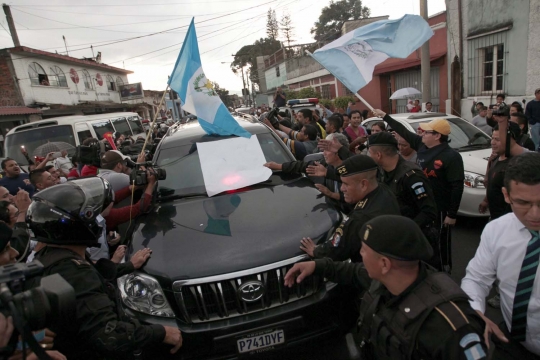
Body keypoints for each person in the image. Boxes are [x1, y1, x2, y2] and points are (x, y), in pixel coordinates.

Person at [285, 215, 488, 360]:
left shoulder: (451, 326)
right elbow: (353, 272)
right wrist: (316, 265)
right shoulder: (388, 280)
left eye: (364, 251)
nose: (360, 256)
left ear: (384, 264)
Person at [25, 177, 183, 359]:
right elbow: (110, 336)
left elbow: (98, 273)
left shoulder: (50, 259)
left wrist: (130, 266)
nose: (98, 220)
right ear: (75, 225)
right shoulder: (75, 273)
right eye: (91, 215)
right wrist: (161, 332)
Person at [462, 152, 540, 359]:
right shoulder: (496, 230)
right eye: (523, 203)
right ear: (506, 195)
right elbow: (477, 279)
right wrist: (475, 314)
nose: (535, 215)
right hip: (511, 342)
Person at [373, 109, 465, 274]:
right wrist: (385, 116)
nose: (421, 133)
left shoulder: (451, 156)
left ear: (437, 136)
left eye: (427, 131)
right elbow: (403, 131)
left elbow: (457, 186)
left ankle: (444, 270)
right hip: (421, 202)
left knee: (440, 240)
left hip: (440, 207)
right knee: (425, 238)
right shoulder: (421, 145)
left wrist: (452, 214)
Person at [301, 155, 400, 262]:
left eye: (345, 184)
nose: (342, 188)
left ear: (363, 184)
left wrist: (316, 251)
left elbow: (337, 249)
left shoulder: (361, 217)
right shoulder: (383, 190)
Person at [367, 132, 440, 267]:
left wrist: (404, 231)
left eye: (369, 152)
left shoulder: (411, 176)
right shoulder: (382, 172)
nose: (368, 156)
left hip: (416, 241)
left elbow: (429, 211)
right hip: (397, 240)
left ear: (378, 155)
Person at [264, 133, 353, 214]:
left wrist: (332, 194)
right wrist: (278, 166)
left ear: (338, 151)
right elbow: (300, 166)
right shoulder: (323, 165)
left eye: (327, 150)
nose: (324, 153)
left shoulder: (355, 170)